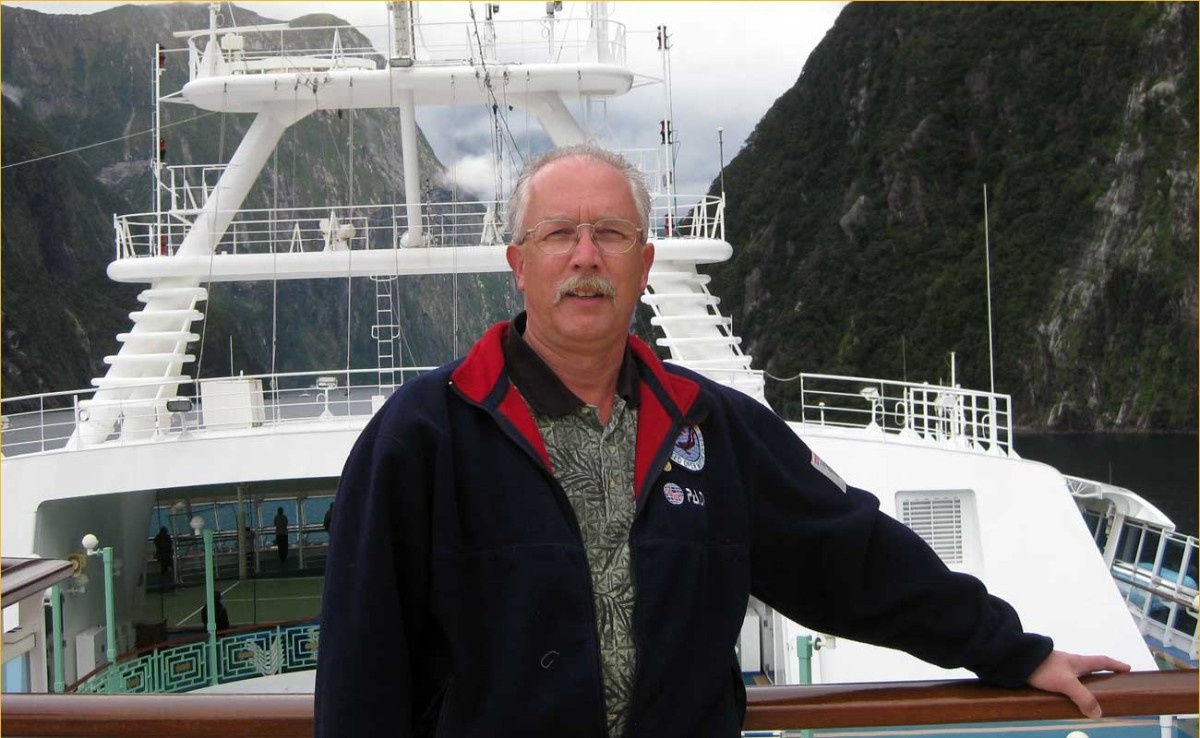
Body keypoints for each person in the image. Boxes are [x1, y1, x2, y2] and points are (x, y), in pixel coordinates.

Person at [315, 144, 1128, 738]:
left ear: (643, 264)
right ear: (518, 264)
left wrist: (1014, 651)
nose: (586, 257)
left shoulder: (714, 427)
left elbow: (851, 559)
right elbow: (362, 658)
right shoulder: (426, 432)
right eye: (559, 233)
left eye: (612, 234)